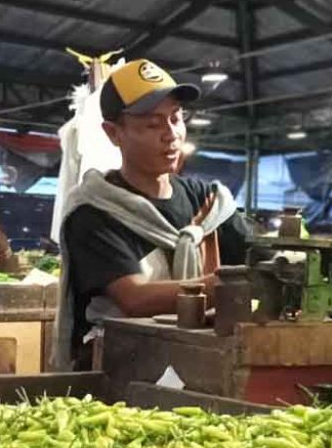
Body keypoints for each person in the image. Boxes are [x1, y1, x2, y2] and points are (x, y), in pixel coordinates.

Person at [53, 59, 250, 370]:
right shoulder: (95, 210)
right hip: (120, 365)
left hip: (197, 359)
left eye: (176, 118)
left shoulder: (207, 202)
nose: (171, 135)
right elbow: (135, 298)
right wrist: (231, 286)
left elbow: (257, 253)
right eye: (153, 124)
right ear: (113, 133)